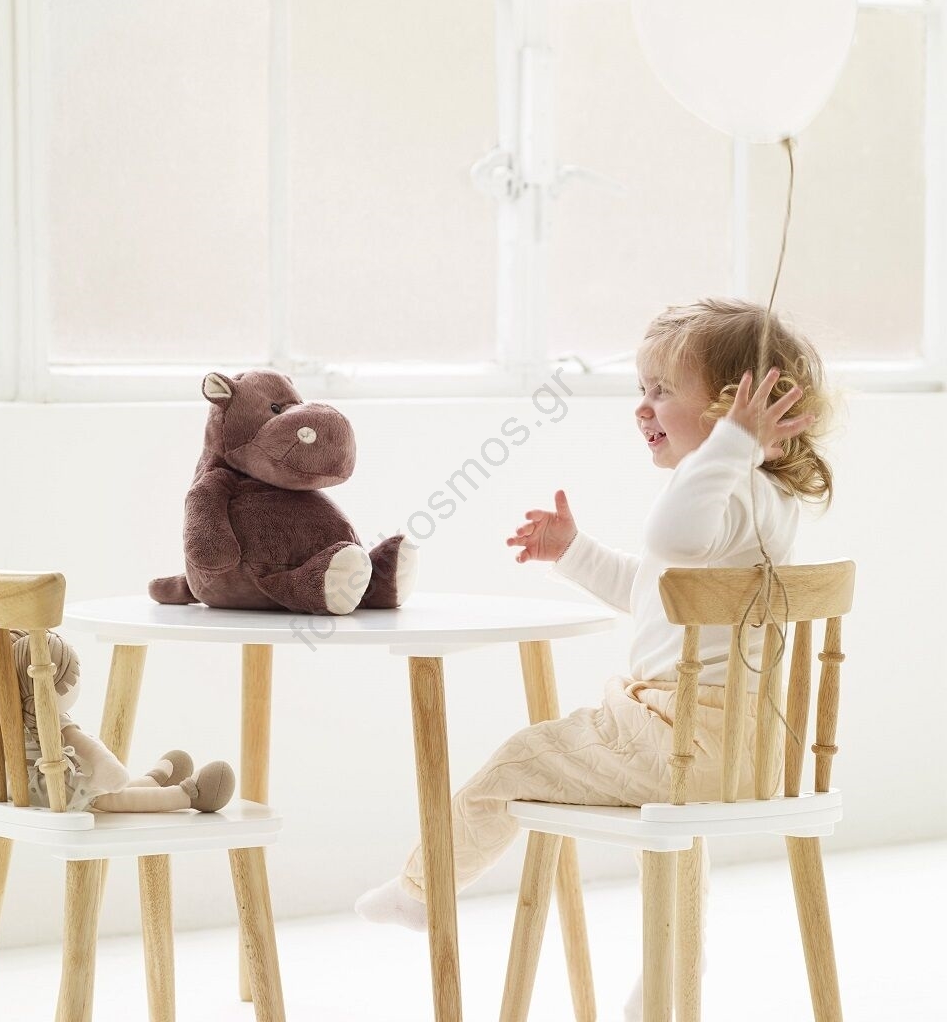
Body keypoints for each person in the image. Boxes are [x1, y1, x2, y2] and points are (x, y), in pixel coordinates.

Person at [355, 299, 834, 982]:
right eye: (642, 388)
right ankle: (675, 969)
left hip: (685, 734)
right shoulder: (761, 501)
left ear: (733, 406)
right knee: (666, 833)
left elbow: (670, 539)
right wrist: (574, 552)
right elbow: (660, 591)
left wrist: (730, 445)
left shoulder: (733, 494)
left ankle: (421, 893)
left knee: (520, 760)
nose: (642, 407)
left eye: (662, 390)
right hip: (743, 747)